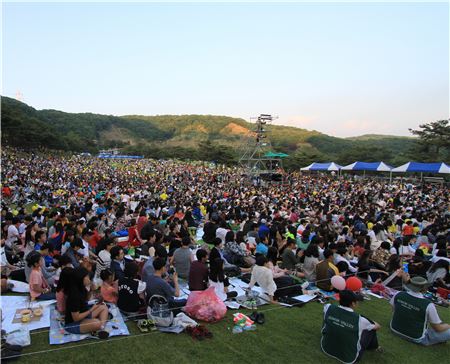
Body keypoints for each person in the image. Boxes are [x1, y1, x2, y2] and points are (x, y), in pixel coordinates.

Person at [321, 290, 382, 363]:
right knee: (371, 329)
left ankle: (329, 334)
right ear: (353, 303)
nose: (358, 302)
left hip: (326, 347)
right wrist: (371, 322)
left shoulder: (328, 307)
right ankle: (374, 347)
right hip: (349, 357)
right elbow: (378, 326)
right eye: (357, 301)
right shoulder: (360, 320)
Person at [390, 276, 450, 345]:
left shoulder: (398, 294)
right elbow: (438, 328)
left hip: (394, 329)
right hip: (416, 338)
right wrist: (448, 325)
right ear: (424, 289)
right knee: (445, 330)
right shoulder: (428, 305)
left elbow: (394, 310)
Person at [65, 267, 109, 338]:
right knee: (96, 323)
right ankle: (98, 326)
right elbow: (76, 318)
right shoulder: (74, 296)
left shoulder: (81, 287)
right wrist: (91, 310)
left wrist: (91, 289)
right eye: (87, 277)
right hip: (73, 323)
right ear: (81, 278)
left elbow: (86, 300)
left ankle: (102, 327)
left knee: (104, 307)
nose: (89, 279)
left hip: (84, 314)